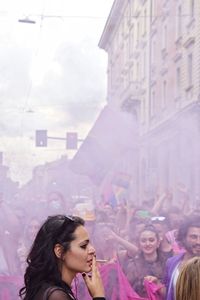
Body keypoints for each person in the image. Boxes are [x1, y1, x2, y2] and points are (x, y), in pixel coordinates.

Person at [19, 214, 105, 300]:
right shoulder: (56, 296)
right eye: (83, 246)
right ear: (59, 251)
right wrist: (98, 296)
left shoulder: (49, 289)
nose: (92, 250)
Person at [125, 225, 167, 298]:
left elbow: (171, 293)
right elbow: (127, 290)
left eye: (151, 240)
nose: (147, 244)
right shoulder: (132, 265)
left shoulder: (167, 264)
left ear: (158, 243)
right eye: (143, 241)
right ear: (139, 244)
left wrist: (157, 283)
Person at [165, 215, 200, 300]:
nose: (198, 242)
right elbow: (168, 293)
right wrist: (157, 285)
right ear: (183, 238)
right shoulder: (172, 263)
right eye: (193, 237)